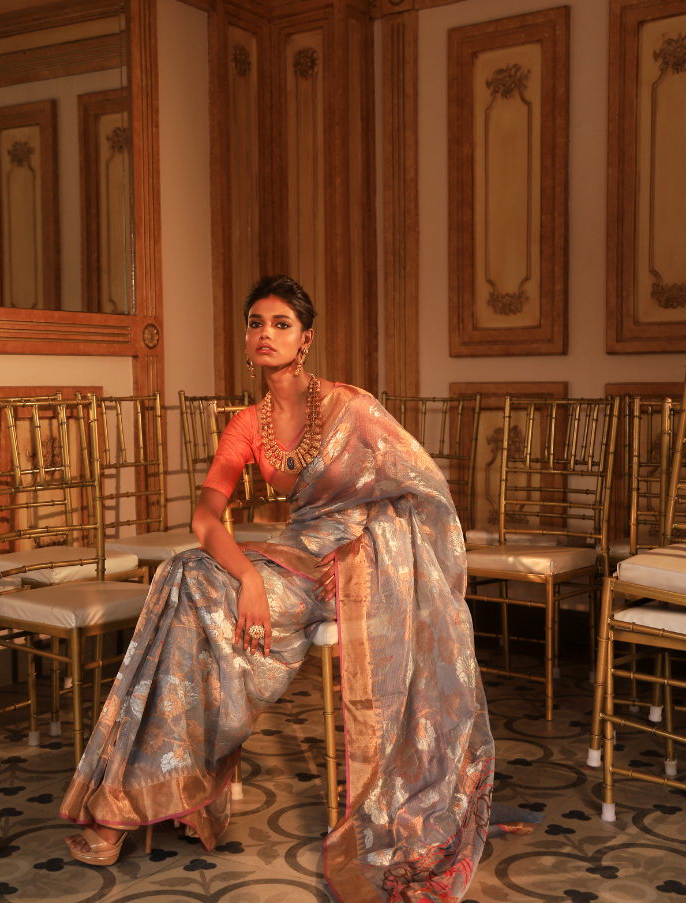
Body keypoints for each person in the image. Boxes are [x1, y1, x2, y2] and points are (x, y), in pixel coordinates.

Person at [61, 275, 539, 902]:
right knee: (181, 575)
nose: (266, 334)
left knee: (192, 587)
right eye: (256, 323)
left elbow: (424, 491)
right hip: (294, 557)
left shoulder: (352, 408)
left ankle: (151, 797)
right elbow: (205, 518)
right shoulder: (246, 425)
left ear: (304, 339)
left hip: (361, 563)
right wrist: (248, 578)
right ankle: (150, 788)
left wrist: (368, 549)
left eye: (280, 324)